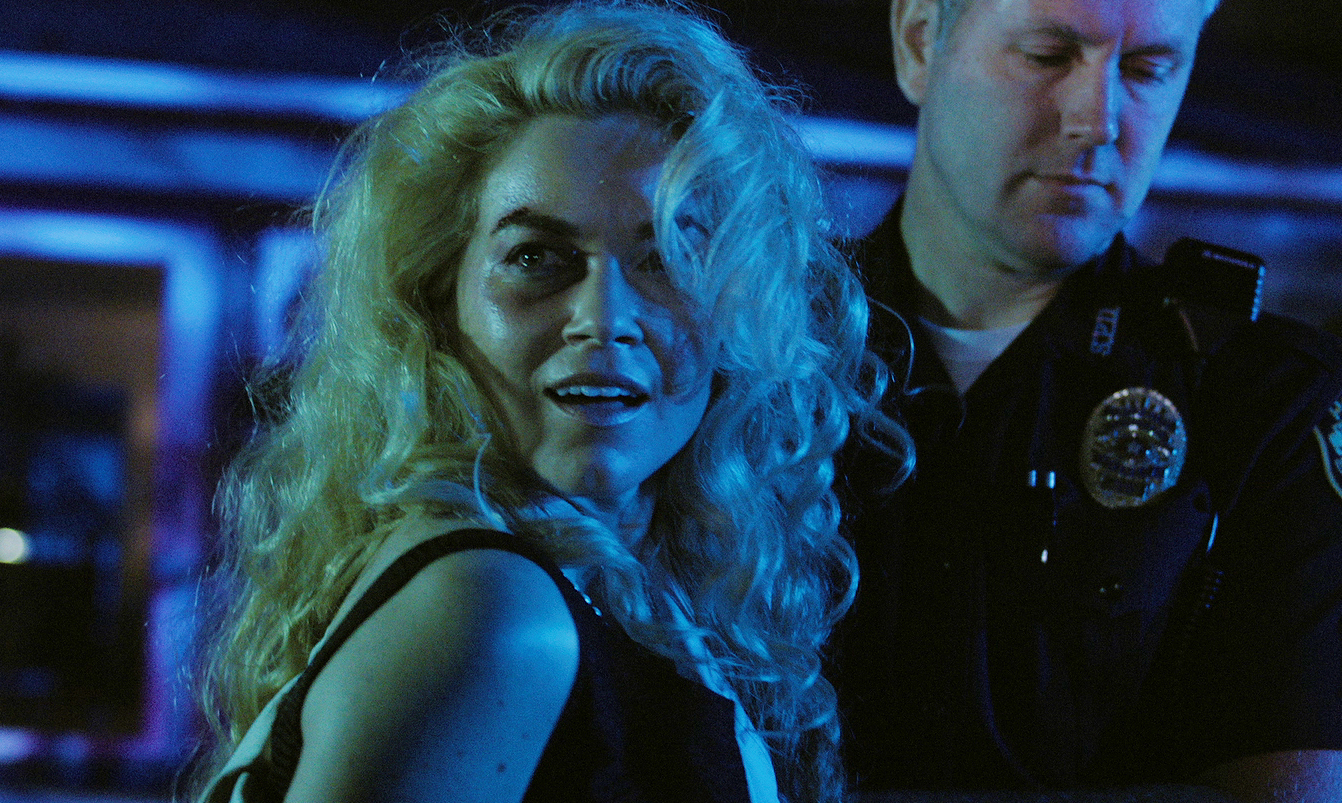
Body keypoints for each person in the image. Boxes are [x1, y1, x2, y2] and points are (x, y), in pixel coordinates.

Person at [188, 3, 909, 802]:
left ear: (743, 308)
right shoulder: (490, 605)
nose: (603, 318)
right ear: (440, 299)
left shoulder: (611, 587)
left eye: (670, 258)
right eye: (537, 257)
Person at [833, 0, 1342, 801]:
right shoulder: (753, 359)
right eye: (1046, 55)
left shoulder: (1263, 403)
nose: (1097, 121)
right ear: (919, 41)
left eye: (1146, 70)